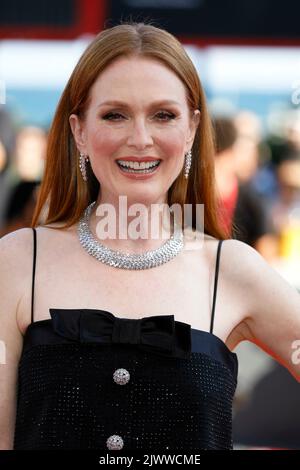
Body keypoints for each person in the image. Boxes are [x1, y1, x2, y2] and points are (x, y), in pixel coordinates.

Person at [0, 21, 299, 452]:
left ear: (192, 129)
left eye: (163, 115)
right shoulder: (17, 262)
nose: (140, 139)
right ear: (79, 130)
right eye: (114, 115)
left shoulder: (230, 269)